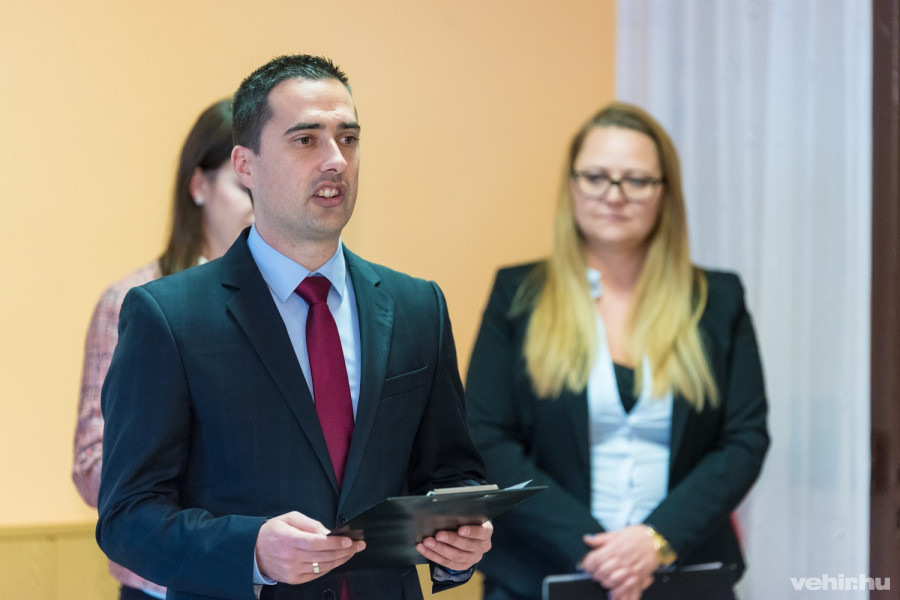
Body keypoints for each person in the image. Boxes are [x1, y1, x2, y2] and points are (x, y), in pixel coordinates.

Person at [96, 54, 492, 600]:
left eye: (348, 139)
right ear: (245, 165)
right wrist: (252, 551)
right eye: (306, 140)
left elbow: (452, 474)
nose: (336, 160)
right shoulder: (168, 316)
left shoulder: (417, 306)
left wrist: (460, 540)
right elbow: (128, 517)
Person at [465, 102, 769, 600]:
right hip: (542, 575)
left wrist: (656, 540)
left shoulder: (718, 301)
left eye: (637, 180)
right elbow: (486, 437)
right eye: (595, 177)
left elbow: (744, 440)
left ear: (665, 193)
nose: (614, 195)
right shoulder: (518, 296)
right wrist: (595, 551)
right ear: (571, 186)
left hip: (684, 574)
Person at [73, 98, 253, 600]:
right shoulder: (134, 300)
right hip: (164, 580)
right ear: (199, 185)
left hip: (272, 577)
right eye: (242, 187)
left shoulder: (293, 302)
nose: (259, 204)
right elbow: (91, 463)